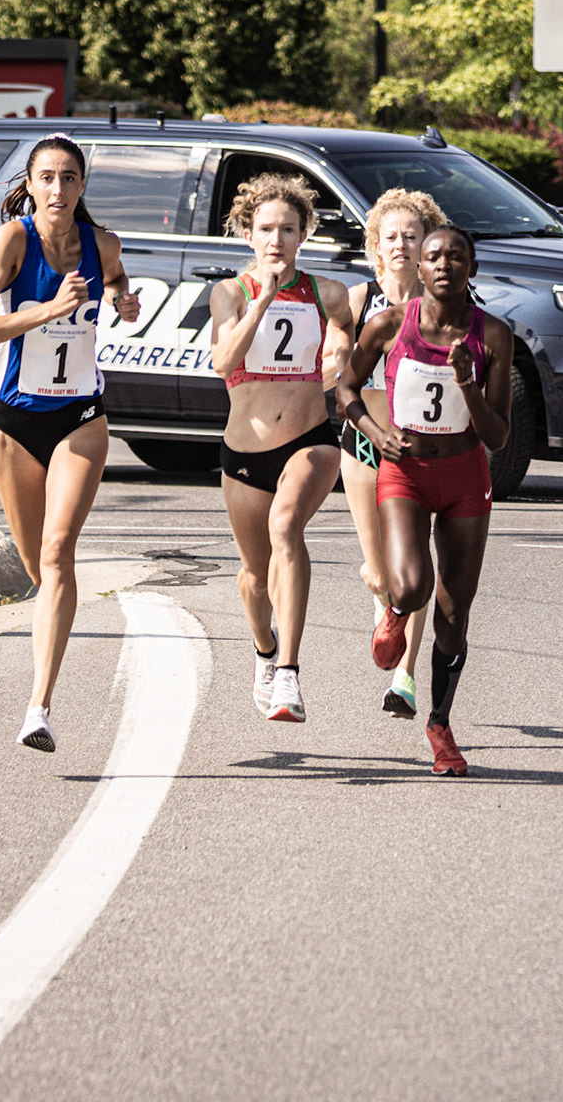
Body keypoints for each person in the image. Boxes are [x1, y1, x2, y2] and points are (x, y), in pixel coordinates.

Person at [0, 134, 138, 752]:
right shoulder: (12, 241)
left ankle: (39, 707)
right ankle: (49, 630)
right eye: (47, 178)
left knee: (60, 553)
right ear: (31, 185)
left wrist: (122, 298)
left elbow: (115, 276)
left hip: (80, 416)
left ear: (82, 185)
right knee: (39, 568)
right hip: (13, 421)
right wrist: (46, 309)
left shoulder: (102, 244)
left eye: (69, 178)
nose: (58, 188)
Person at [339, 224, 512, 775]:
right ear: (420, 268)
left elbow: (498, 436)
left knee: (454, 615)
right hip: (406, 472)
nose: (444, 265)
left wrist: (467, 383)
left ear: (472, 268)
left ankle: (439, 724)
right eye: (434, 256)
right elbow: (345, 389)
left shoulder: (495, 336)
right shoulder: (390, 325)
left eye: (457, 257)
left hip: (464, 476)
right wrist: (374, 432)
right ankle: (393, 612)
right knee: (412, 587)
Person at [209, 173, 354, 724]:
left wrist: (337, 358)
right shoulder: (230, 293)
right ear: (248, 234)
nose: (277, 240)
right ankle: (265, 650)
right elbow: (223, 362)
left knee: (287, 526)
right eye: (266, 229)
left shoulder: (326, 292)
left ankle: (289, 672)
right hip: (245, 453)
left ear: (303, 234)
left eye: (288, 229)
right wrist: (263, 301)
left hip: (310, 439)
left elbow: (345, 331)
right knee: (254, 575)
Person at [341, 188, 445, 717]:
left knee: (415, 568)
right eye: (391, 237)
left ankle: (405, 677)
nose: (401, 244)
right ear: (376, 247)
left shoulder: (445, 303)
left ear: (427, 244)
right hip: (364, 440)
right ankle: (381, 597)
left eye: (411, 235)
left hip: (419, 447)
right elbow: (334, 367)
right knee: (382, 573)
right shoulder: (359, 301)